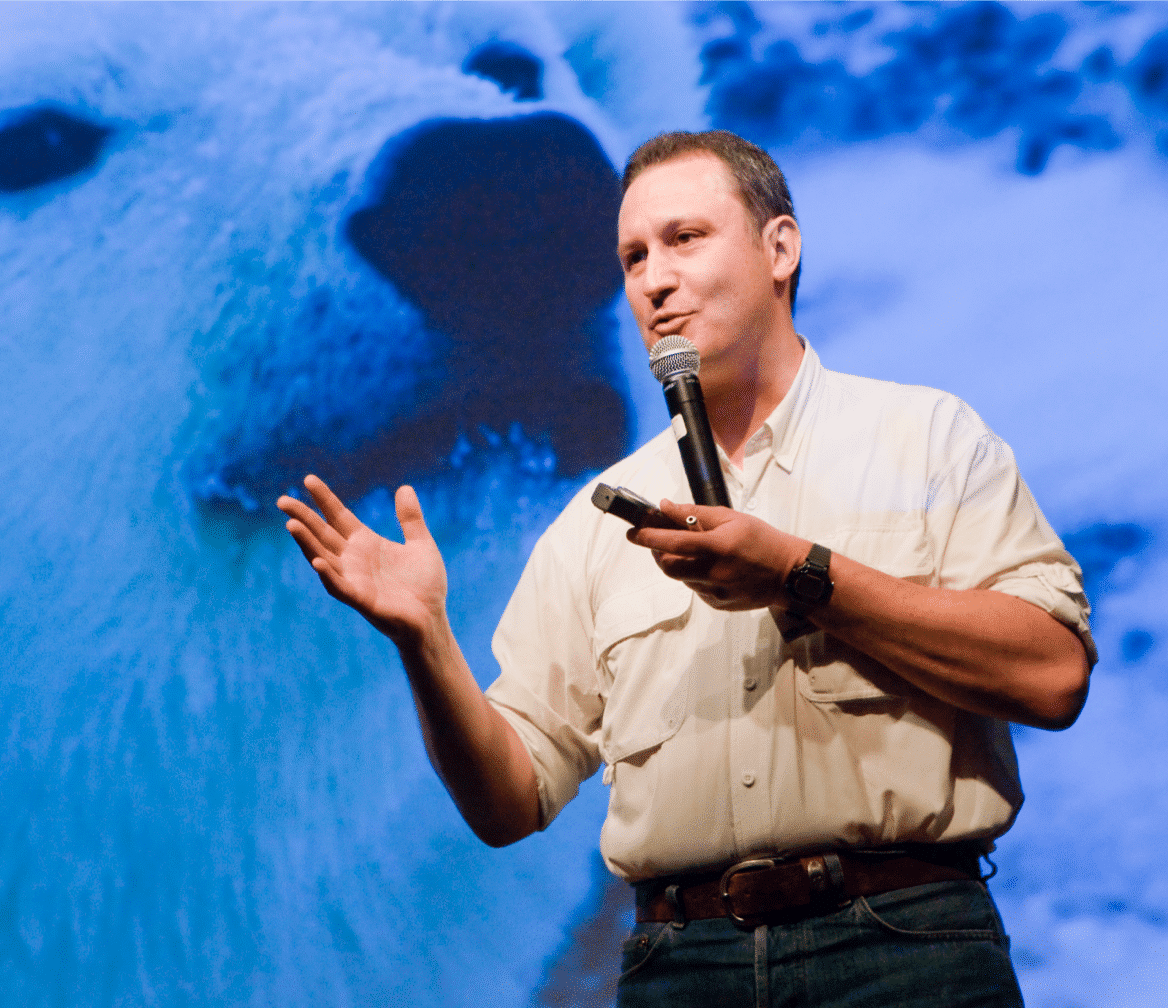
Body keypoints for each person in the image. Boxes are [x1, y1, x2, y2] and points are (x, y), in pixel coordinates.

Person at [277, 130, 1095, 1008]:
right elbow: (507, 802)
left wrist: (795, 573)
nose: (651, 280)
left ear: (779, 249)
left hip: (901, 946)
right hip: (682, 965)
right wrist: (425, 641)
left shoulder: (926, 441)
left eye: (684, 239)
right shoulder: (598, 519)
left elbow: (1050, 676)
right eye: (631, 257)